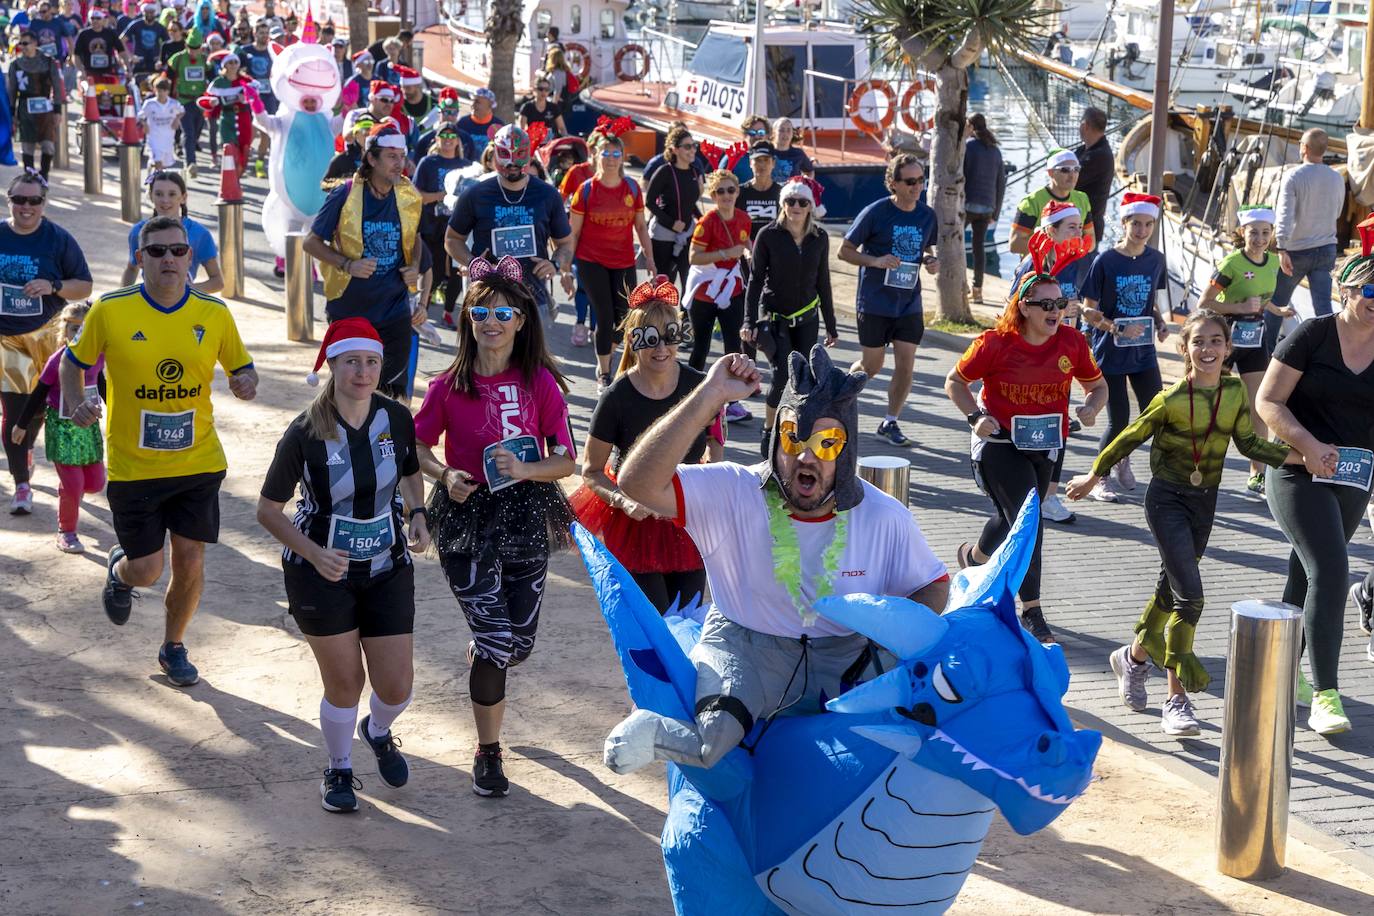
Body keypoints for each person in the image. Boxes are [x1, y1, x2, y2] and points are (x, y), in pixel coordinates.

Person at [604, 346, 950, 774]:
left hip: (846, 654)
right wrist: (710, 395)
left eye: (827, 444)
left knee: (902, 750)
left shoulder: (883, 515)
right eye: (793, 438)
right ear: (775, 441)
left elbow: (933, 582)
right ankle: (657, 733)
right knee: (712, 746)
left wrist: (889, 638)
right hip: (745, 645)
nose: (806, 457)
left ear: (847, 453)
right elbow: (636, 483)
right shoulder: (732, 489)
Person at [1068, 309, 1295, 735]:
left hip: (1204, 502)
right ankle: (1177, 699)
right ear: (1184, 348)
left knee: (1169, 591)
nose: (1207, 349)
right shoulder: (1170, 399)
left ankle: (1133, 658)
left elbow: (1248, 442)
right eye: (1198, 342)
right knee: (1190, 597)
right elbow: (1128, 437)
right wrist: (1093, 475)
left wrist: (1301, 458)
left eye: (1215, 341)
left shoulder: (1232, 393)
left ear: (1228, 348)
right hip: (1166, 499)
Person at [62, 214, 258, 687]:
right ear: (140, 258)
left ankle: (173, 647)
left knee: (190, 559)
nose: (168, 259)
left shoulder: (214, 314)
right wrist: (75, 405)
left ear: (190, 257)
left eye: (177, 250)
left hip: (199, 462)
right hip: (135, 467)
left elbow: (242, 367)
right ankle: (122, 571)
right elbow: (73, 363)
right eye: (157, 251)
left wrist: (245, 382)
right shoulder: (111, 310)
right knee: (148, 569)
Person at [413, 256, 577, 797]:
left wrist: (529, 469)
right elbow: (417, 447)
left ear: (521, 320)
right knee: (496, 640)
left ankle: (491, 646)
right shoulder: (445, 386)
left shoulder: (541, 385)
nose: (491, 321)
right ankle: (488, 753)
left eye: (503, 312)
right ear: (466, 319)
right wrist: (444, 472)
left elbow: (567, 460)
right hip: (465, 519)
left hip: (528, 514)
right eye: (480, 311)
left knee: (519, 644)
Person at [257, 318, 429, 813]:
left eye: (372, 361)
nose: (363, 371)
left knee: (396, 688)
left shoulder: (395, 418)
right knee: (346, 683)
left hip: (386, 565)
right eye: (352, 361)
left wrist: (417, 514)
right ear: (332, 366)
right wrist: (313, 553)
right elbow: (267, 510)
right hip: (319, 572)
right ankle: (338, 768)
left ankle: (376, 731)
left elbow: (411, 472)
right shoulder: (305, 433)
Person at [945, 269, 1106, 643]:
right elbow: (954, 382)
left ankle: (975, 558)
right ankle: (1032, 609)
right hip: (999, 443)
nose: (1057, 311)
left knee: (1011, 517)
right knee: (1028, 518)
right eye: (1046, 304)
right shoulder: (995, 343)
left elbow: (1098, 386)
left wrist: (1091, 408)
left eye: (1061, 303)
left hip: (1048, 444)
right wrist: (975, 416)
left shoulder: (1072, 342)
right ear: (1025, 307)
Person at [1256, 240, 1374, 736]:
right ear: (1347, 288)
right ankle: (1326, 693)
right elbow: (1268, 402)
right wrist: (1307, 444)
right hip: (1295, 469)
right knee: (1330, 566)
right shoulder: (1313, 335)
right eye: (1371, 287)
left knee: (1305, 575)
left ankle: (1281, 671)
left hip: (1352, 479)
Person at [571, 280, 724, 612]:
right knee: (654, 625)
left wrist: (710, 480)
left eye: (670, 336)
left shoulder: (700, 385)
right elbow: (591, 471)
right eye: (650, 339)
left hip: (687, 515)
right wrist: (622, 500)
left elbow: (715, 439)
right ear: (632, 341)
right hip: (636, 522)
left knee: (690, 615)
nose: (661, 349)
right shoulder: (616, 397)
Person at [305, 123, 424, 399]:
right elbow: (310, 242)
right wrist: (347, 264)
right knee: (353, 394)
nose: (400, 163)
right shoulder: (344, 194)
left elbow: (416, 237)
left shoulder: (408, 196)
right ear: (372, 158)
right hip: (351, 309)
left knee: (394, 395)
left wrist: (414, 266)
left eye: (402, 156)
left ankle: (388, 443)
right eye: (392, 156)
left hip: (394, 310)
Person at [0, 172, 93, 516]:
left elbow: (83, 286)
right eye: (19, 200)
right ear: (9, 200)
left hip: (49, 335)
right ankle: (21, 483)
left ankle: (25, 454)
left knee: (39, 408)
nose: (26, 207)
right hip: (7, 337)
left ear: (44, 203)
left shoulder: (57, 239)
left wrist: (52, 285)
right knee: (14, 411)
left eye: (34, 201)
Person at [840, 154, 939, 447]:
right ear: (893, 183)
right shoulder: (875, 212)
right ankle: (839, 394)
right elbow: (844, 251)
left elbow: (925, 249)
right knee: (872, 366)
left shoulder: (927, 215)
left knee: (906, 364)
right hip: (874, 301)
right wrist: (876, 260)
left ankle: (890, 421)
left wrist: (931, 261)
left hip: (909, 301)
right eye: (910, 182)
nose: (917, 187)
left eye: (921, 180)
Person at [1079, 194, 1170, 502]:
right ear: (1124, 223)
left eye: (1148, 224)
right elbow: (1087, 310)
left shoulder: (1156, 259)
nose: (1142, 230)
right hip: (1112, 351)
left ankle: (1125, 456)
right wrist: (1116, 327)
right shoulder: (1106, 260)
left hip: (1143, 351)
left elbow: (1150, 301)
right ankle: (1100, 477)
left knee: (1158, 412)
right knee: (1118, 419)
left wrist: (1159, 322)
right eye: (1136, 224)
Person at [1008, 203, 1094, 524]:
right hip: (1031, 357)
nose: (1078, 231)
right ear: (1050, 230)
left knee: (1058, 425)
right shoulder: (1033, 263)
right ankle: (1025, 490)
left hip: (1062, 354)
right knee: (1030, 424)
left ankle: (1048, 496)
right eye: (1071, 226)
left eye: (1079, 225)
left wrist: (1075, 310)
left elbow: (1072, 304)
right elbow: (1013, 308)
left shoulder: (1072, 261)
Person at [1198, 205, 1293, 496]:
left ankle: (1257, 475)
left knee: (1259, 407)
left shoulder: (1274, 262)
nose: (1260, 238)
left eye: (1266, 233)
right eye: (1254, 233)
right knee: (1213, 404)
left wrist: (1278, 309)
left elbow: (1262, 299)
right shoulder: (1231, 264)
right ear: (1242, 233)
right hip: (1224, 339)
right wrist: (1238, 308)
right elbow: (1206, 302)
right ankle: (1200, 465)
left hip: (1254, 340)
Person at [744, 176, 837, 455]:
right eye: (790, 201)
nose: (795, 206)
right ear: (782, 203)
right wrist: (749, 321)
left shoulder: (819, 238)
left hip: (807, 319)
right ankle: (769, 430)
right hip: (776, 319)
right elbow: (755, 280)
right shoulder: (768, 235)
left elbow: (824, 282)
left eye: (802, 202)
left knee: (804, 377)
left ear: (810, 206)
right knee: (782, 374)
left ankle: (796, 428)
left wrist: (831, 325)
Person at [446, 124, 574, 326]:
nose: (512, 161)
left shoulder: (548, 195)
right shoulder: (475, 194)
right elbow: (452, 239)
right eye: (504, 153)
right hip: (486, 296)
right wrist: (472, 262)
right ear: (494, 153)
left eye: (520, 153)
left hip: (533, 297)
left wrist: (555, 264)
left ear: (530, 153)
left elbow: (566, 242)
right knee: (486, 357)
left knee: (530, 358)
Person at [10, 302, 105, 552]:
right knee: (74, 484)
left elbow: (101, 382)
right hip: (61, 429)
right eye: (73, 329)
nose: (78, 334)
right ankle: (67, 532)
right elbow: (39, 392)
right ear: (65, 331)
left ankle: (69, 491)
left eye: (84, 328)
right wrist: (21, 425)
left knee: (95, 483)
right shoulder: (58, 359)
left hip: (89, 428)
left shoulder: (98, 356)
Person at [568, 133, 655, 391]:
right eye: (605, 153)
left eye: (616, 154)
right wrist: (565, 269)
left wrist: (649, 258)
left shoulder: (631, 188)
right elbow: (573, 233)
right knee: (604, 316)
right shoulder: (585, 191)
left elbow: (640, 225)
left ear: (622, 158)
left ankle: (605, 351)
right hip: (591, 260)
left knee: (625, 318)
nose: (611, 159)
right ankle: (605, 373)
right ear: (596, 156)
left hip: (623, 260)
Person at [685, 170, 752, 422]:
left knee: (734, 346)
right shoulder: (707, 222)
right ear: (713, 195)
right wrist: (727, 253)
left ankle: (733, 403)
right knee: (701, 345)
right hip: (705, 291)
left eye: (730, 190)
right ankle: (689, 396)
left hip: (732, 290)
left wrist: (747, 254)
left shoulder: (744, 219)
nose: (726, 195)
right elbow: (694, 257)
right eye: (720, 191)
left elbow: (745, 248)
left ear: (737, 192)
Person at [1270, 128, 1346, 347]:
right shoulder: (1336, 177)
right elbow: (1338, 212)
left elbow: (1284, 215)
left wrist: (1282, 248)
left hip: (1296, 250)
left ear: (1304, 147)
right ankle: (1330, 350)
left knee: (1277, 305)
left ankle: (1265, 357)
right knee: (1324, 308)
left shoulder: (1294, 176)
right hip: (1327, 249)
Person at [120, 170, 222, 294]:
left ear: (183, 198)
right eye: (159, 194)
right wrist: (121, 298)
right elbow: (131, 269)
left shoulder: (200, 234)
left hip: (184, 308)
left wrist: (186, 290)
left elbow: (217, 281)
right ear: (151, 196)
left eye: (172, 194)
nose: (165, 200)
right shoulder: (138, 232)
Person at [414, 122, 470, 329]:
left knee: (457, 272)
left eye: (452, 137)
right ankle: (421, 312)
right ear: (436, 140)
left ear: (457, 141)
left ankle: (448, 312)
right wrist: (444, 196)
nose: (448, 140)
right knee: (433, 272)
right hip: (432, 225)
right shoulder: (428, 163)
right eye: (443, 136)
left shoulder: (466, 165)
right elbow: (417, 196)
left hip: (458, 227)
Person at [645, 125, 702, 292]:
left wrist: (702, 219)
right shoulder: (664, 171)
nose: (692, 150)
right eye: (687, 146)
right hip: (663, 234)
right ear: (675, 150)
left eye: (694, 146)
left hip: (687, 233)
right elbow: (649, 202)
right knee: (663, 281)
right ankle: (659, 316)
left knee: (689, 278)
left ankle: (686, 317)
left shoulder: (694, 172)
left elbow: (690, 203)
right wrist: (670, 223)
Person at [1010, 148, 1094, 256]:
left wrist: (1074, 249)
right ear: (1051, 173)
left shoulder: (1082, 199)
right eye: (1065, 170)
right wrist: (1056, 248)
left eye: (1076, 169)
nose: (1072, 175)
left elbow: (1091, 238)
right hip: (1038, 269)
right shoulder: (1032, 202)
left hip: (1070, 267)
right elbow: (1015, 244)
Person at [8, 31, 64, 178]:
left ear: (35, 44)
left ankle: (44, 174)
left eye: (25, 43)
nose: (23, 47)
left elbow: (57, 87)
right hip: (25, 108)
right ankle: (29, 176)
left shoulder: (48, 62)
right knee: (27, 145)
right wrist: (11, 113)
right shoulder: (16, 65)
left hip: (45, 108)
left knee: (48, 145)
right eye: (21, 44)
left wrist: (57, 110)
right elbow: (12, 90)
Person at [962, 113, 1005, 304]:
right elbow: (1001, 183)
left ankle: (960, 286)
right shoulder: (995, 151)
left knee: (956, 245)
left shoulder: (969, 146)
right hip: (988, 206)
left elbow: (961, 174)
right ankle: (977, 291)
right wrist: (995, 211)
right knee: (978, 248)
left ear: (971, 126)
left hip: (968, 203)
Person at [167, 30, 209, 176]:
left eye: (196, 48)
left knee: (198, 130)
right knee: (189, 133)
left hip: (200, 101)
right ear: (186, 45)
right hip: (183, 100)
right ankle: (191, 163)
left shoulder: (204, 60)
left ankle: (184, 147)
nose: (193, 51)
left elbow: (212, 76)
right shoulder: (177, 59)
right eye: (191, 47)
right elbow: (168, 76)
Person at [200, 51, 251, 174]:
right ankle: (230, 175)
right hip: (226, 118)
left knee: (243, 148)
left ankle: (239, 172)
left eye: (235, 62)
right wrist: (212, 102)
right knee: (229, 147)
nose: (233, 65)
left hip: (243, 117)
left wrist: (246, 98)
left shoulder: (246, 80)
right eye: (230, 63)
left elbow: (256, 97)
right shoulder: (218, 82)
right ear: (224, 66)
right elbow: (205, 100)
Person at [1073, 107, 1113, 249]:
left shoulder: (1099, 156)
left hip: (1086, 231)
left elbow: (1068, 181)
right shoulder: (1084, 150)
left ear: (1085, 125)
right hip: (1073, 228)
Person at [736, 142, 780, 239]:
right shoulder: (738, 192)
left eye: (766, 160)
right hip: (745, 249)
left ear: (773, 163)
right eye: (758, 160)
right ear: (750, 163)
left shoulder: (782, 193)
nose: (762, 165)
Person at [138, 76, 183, 171]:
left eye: (163, 91)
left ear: (167, 91)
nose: (160, 94)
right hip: (154, 139)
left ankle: (152, 172)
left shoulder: (173, 104)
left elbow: (182, 111)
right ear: (155, 90)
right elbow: (140, 116)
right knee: (158, 163)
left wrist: (177, 120)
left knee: (164, 165)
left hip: (167, 139)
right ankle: (156, 182)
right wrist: (145, 124)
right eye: (158, 91)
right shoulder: (149, 104)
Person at [73, 8, 125, 82]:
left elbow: (122, 52)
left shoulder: (111, 33)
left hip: (108, 73)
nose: (95, 20)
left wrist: (127, 68)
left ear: (103, 19)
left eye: (98, 18)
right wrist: (81, 70)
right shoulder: (83, 34)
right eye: (92, 18)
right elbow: (76, 55)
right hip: (89, 74)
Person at [120, 1, 167, 81]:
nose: (149, 14)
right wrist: (130, 56)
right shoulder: (136, 24)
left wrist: (160, 59)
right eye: (147, 12)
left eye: (151, 12)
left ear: (155, 12)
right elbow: (121, 40)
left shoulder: (160, 27)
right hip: (139, 63)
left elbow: (167, 44)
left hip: (154, 63)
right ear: (143, 12)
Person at [455, 87, 503, 160]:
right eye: (472, 101)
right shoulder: (462, 123)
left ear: (490, 105)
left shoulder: (498, 126)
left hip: (489, 169)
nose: (473, 105)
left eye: (477, 102)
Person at [769, 117, 813, 181]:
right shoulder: (766, 152)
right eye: (781, 130)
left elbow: (809, 171)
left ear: (792, 134)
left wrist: (805, 182)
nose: (785, 134)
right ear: (773, 133)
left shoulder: (798, 153)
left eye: (788, 130)